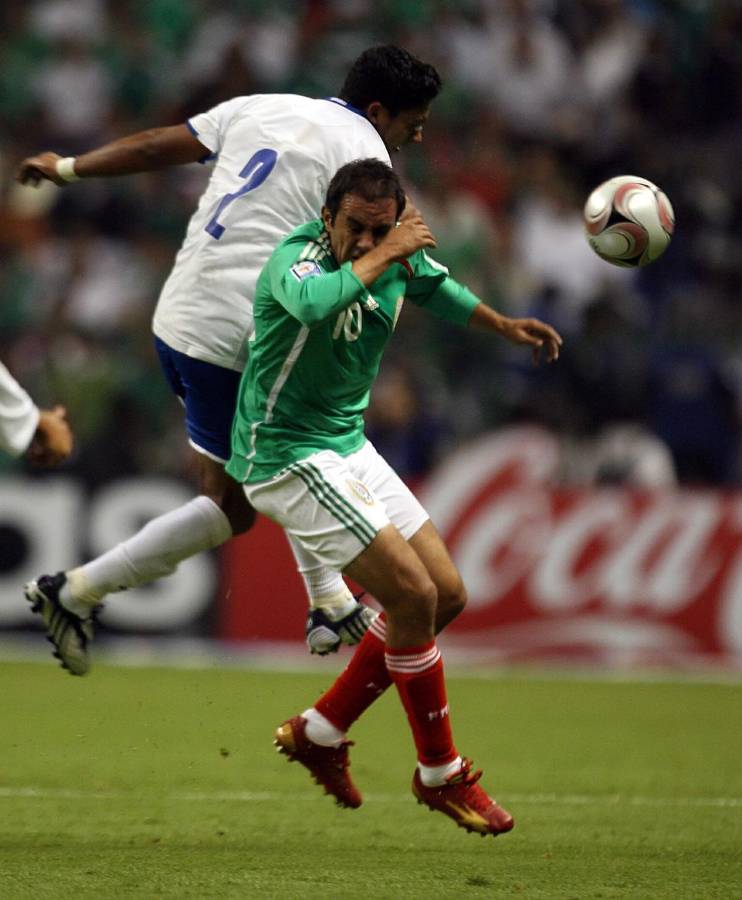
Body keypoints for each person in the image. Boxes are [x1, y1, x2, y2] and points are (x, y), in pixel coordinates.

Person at [16, 45, 442, 675]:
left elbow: (162, 143)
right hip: (239, 334)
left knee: (239, 492)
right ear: (379, 111)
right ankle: (320, 598)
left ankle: (78, 593)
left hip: (181, 317)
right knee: (285, 451)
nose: (418, 133)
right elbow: (362, 265)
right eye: (413, 121)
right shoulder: (367, 161)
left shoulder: (260, 106)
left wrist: (71, 166)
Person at [227, 158, 562, 835]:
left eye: (377, 228)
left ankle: (320, 731)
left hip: (346, 443)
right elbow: (318, 302)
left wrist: (502, 325)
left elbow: (436, 287)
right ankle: (439, 773)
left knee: (444, 595)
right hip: (284, 451)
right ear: (328, 218)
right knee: (410, 596)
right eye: (353, 227)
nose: (363, 239)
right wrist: (388, 249)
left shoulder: (395, 251)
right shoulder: (295, 259)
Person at [0, 362, 74, 465]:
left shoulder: (18, 418)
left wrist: (41, 418)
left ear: (38, 447)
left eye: (64, 430)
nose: (64, 425)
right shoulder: (16, 436)